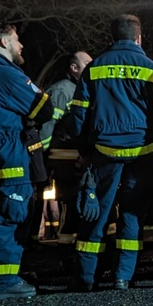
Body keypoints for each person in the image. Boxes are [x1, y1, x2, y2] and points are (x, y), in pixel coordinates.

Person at [63, 15, 153, 292]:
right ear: (139, 38)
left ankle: (86, 278)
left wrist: (84, 148)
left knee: (95, 215)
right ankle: (123, 276)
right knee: (132, 215)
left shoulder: (95, 68)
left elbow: (78, 115)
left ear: (114, 38)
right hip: (141, 154)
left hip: (104, 153)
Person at [0, 23, 55, 301]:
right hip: (10, 161)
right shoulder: (6, 75)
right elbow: (44, 107)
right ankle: (3, 283)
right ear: (4, 43)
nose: (21, 46)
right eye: (17, 40)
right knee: (10, 218)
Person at [42, 51, 93, 255]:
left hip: (83, 157)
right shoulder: (62, 91)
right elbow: (47, 126)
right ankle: (66, 252)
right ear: (74, 68)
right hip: (65, 159)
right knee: (70, 205)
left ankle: (81, 250)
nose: (92, 65)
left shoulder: (87, 89)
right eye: (87, 62)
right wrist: (44, 156)